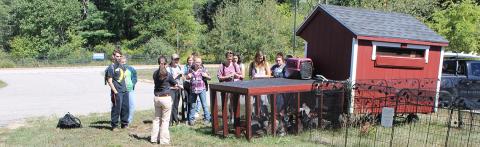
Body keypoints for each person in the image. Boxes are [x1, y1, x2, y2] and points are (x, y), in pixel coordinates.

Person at [151, 56, 179, 145]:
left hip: (157, 98)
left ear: (158, 63)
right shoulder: (168, 74)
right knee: (165, 120)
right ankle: (164, 140)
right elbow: (175, 83)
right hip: (165, 98)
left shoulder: (155, 73)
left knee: (156, 119)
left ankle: (154, 139)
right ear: (166, 64)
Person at [106, 49, 130, 130]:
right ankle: (114, 125)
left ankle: (124, 124)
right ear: (113, 56)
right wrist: (115, 92)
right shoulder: (111, 67)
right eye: (117, 56)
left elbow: (124, 77)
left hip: (124, 90)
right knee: (116, 108)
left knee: (125, 108)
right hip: (117, 91)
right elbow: (109, 81)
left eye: (120, 56)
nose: (119, 58)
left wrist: (126, 88)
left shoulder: (121, 65)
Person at [186, 57, 212, 126]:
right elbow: (186, 77)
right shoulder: (190, 69)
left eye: (199, 62)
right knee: (192, 105)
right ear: (194, 62)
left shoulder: (203, 69)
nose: (198, 64)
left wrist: (206, 75)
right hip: (193, 90)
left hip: (201, 89)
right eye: (197, 62)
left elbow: (210, 78)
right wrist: (188, 76)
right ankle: (191, 120)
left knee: (204, 105)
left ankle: (207, 119)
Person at [249, 51, 271, 115]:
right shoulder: (252, 64)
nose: (260, 60)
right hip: (254, 85)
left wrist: (261, 76)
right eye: (259, 58)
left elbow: (269, 75)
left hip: (263, 85)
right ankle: (254, 115)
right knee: (252, 101)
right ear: (256, 57)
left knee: (263, 100)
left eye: (262, 58)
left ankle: (265, 115)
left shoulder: (265, 63)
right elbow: (250, 75)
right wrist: (253, 77)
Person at [167, 53, 183, 125]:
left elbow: (182, 78)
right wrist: (176, 74)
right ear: (172, 60)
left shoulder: (179, 67)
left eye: (178, 59)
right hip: (171, 89)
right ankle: (170, 122)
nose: (176, 61)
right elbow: (168, 80)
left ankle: (175, 120)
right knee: (171, 105)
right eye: (175, 59)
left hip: (178, 89)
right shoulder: (168, 68)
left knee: (176, 105)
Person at [121, 56, 137, 124]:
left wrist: (132, 84)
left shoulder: (131, 69)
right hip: (121, 90)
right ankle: (122, 120)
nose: (123, 63)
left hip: (130, 89)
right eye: (122, 62)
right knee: (122, 106)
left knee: (132, 105)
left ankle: (129, 120)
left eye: (124, 62)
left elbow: (135, 78)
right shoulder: (118, 69)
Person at [182, 55, 195, 121]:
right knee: (186, 101)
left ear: (193, 61)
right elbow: (183, 75)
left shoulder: (195, 66)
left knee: (192, 102)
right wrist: (186, 78)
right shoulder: (185, 67)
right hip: (186, 85)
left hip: (193, 86)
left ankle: (191, 116)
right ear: (187, 61)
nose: (190, 61)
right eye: (189, 60)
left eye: (191, 60)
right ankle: (186, 117)